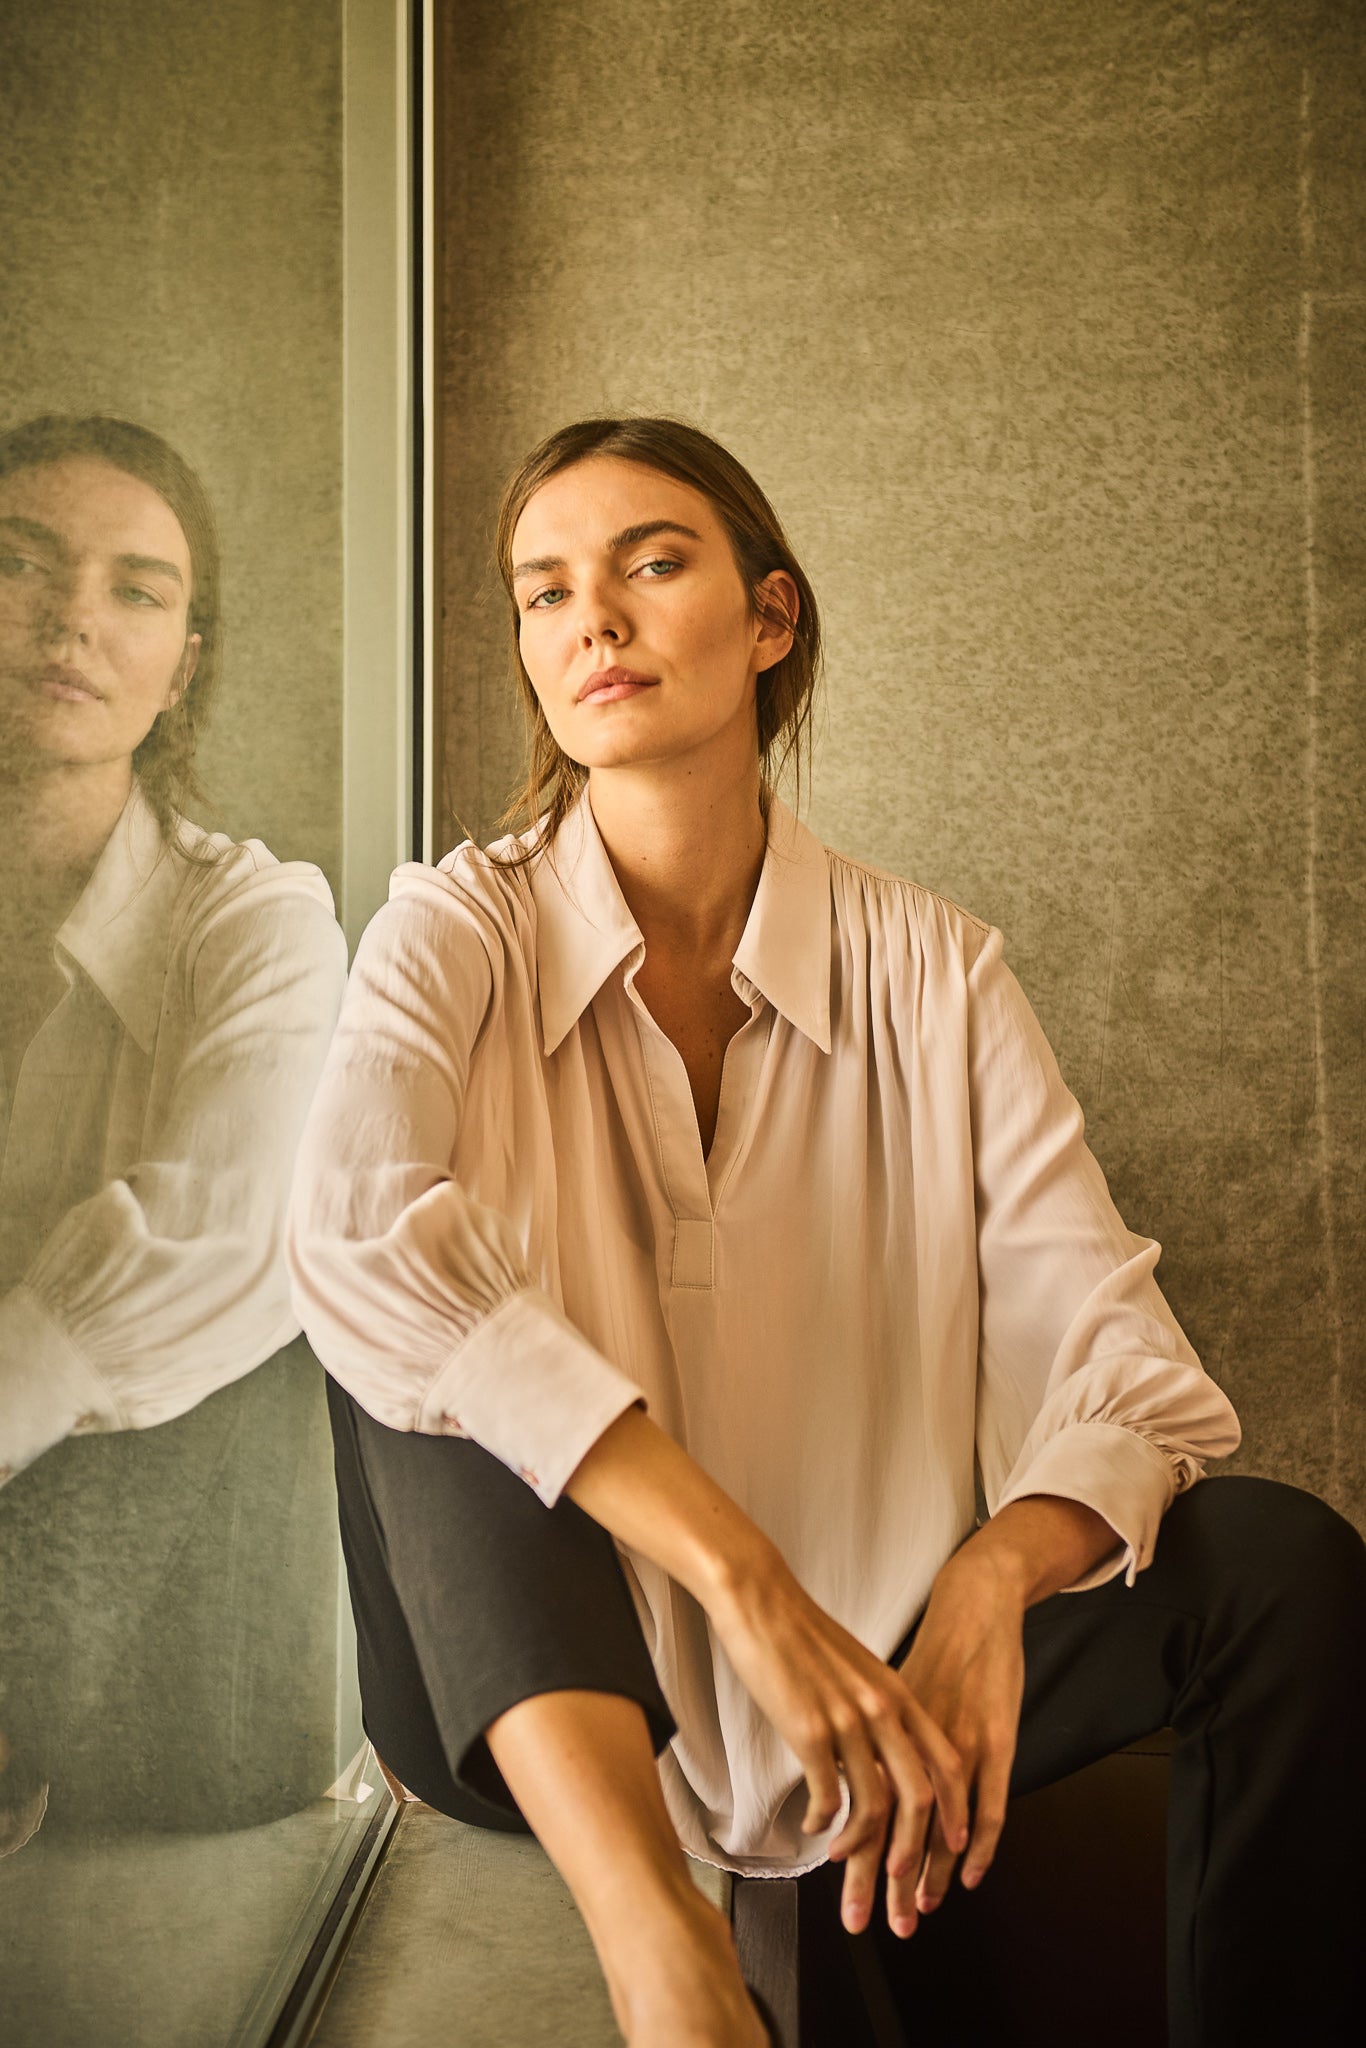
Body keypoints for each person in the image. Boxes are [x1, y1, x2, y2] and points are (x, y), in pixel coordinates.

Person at [287, 416, 1366, 2048]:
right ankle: (666, 1955)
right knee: (427, 1346)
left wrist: (989, 1584)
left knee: (1281, 1569)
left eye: (651, 564)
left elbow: (1131, 1372)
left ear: (768, 617)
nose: (591, 620)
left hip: (889, 1673)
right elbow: (357, 1232)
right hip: (553, 1693)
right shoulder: (455, 928)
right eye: (544, 591)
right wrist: (740, 1578)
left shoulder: (937, 973)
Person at [0, 414, 349, 1842]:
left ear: (183, 665)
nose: (71, 622)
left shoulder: (256, 920)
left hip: (186, 1679)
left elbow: (221, 1240)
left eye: (135, 591)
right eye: (21, 564)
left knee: (201, 1317)